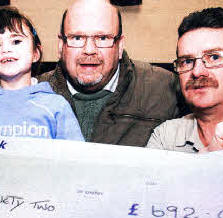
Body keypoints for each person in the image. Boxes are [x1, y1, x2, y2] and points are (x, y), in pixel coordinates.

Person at [38, 0, 180, 146]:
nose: (89, 50)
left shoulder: (165, 89)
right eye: (77, 38)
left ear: (120, 46)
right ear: (61, 46)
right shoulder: (33, 93)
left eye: (103, 38)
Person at [0, 7, 84, 140]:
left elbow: (76, 157)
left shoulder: (56, 106)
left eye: (16, 41)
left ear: (35, 53)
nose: (6, 49)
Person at [147, 7, 223, 152]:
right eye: (187, 61)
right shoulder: (166, 137)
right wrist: (213, 151)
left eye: (214, 57)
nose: (197, 72)